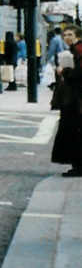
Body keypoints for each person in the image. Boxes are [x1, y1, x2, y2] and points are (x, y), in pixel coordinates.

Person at [51, 25, 82, 177]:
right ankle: (77, 166)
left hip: (75, 99)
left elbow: (78, 73)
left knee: (73, 131)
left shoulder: (78, 50)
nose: (67, 37)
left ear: (78, 36)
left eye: (70, 34)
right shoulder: (73, 50)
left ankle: (78, 167)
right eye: (65, 35)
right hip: (73, 98)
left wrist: (64, 71)